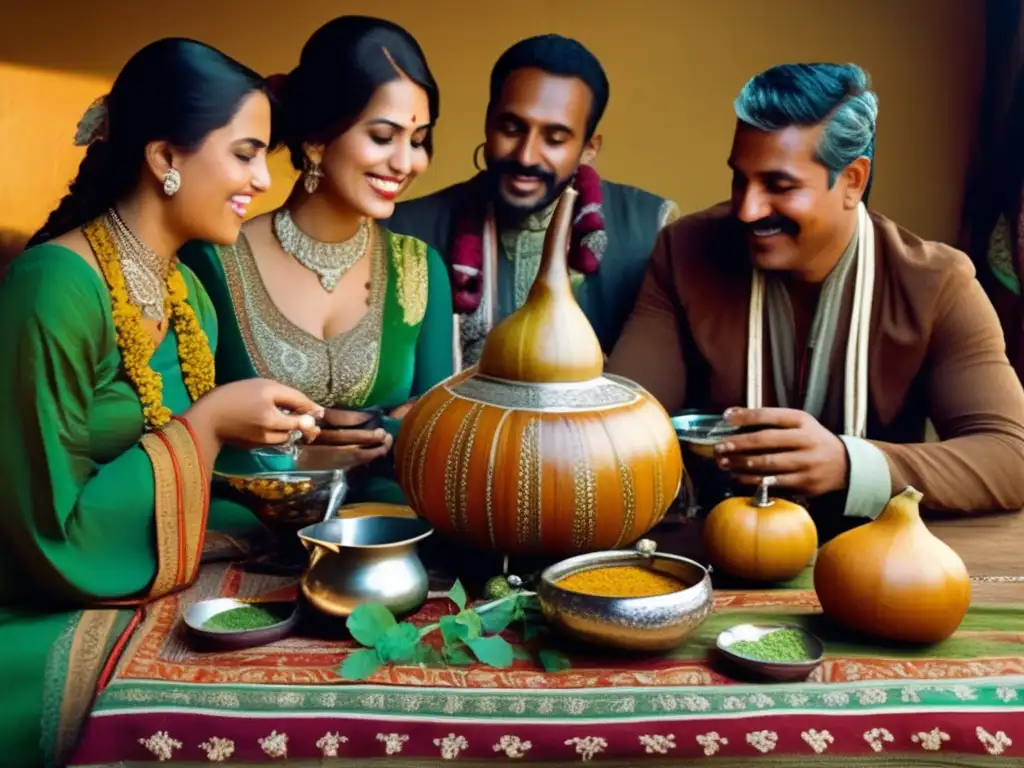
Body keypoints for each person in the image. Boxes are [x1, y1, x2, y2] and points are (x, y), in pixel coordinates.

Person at [0, 38, 325, 766]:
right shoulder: (53, 289)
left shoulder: (188, 298)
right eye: (245, 153)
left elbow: (187, 472)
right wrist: (207, 425)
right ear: (165, 159)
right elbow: (45, 528)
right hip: (45, 595)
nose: (263, 180)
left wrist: (284, 451)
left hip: (144, 573)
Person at [607, 62, 1024, 530]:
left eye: (779, 186)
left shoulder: (938, 284)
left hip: (877, 562)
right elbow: (618, 428)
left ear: (852, 181)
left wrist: (850, 465)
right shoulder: (684, 253)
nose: (747, 209)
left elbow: (1011, 455)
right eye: (740, 179)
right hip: (716, 549)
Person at [182, 16, 453, 504]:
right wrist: (296, 455)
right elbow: (173, 439)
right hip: (242, 529)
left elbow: (438, 438)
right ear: (316, 139)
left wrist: (388, 433)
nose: (404, 163)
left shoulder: (420, 268)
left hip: (384, 537)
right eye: (382, 136)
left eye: (417, 141)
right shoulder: (212, 262)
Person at [386, 34, 679, 369]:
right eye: (511, 129)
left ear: (589, 148)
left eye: (554, 139)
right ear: (487, 124)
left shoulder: (650, 229)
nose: (526, 156)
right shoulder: (406, 233)